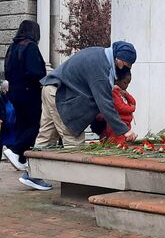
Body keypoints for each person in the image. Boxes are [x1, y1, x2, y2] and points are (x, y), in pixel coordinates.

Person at [19, 41, 139, 191]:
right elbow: (105, 104)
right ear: (119, 60)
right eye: (128, 64)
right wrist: (124, 130)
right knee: (74, 142)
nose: (128, 68)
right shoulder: (100, 67)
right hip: (60, 96)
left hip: (52, 89)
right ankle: (76, 187)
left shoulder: (100, 55)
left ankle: (31, 174)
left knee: (47, 135)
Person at [2, 21, 46, 176]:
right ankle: (16, 151)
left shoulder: (13, 47)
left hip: (15, 92)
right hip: (29, 92)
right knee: (34, 125)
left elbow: (7, 70)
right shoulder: (30, 46)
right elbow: (36, 72)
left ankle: (21, 158)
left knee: (22, 124)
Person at [105, 68, 136, 143]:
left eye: (128, 83)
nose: (127, 86)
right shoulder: (114, 92)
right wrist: (132, 108)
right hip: (117, 125)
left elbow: (133, 102)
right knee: (117, 143)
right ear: (117, 80)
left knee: (124, 143)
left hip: (126, 123)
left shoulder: (122, 92)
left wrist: (127, 95)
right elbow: (120, 107)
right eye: (125, 83)